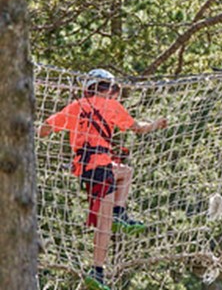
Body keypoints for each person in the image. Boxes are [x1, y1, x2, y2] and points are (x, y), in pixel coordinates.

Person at [38, 69, 167, 290]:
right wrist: (157, 123)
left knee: (125, 172)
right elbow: (138, 128)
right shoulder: (112, 106)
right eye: (114, 90)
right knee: (105, 223)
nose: (115, 94)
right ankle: (98, 268)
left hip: (88, 167)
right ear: (108, 88)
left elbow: (44, 130)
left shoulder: (75, 106)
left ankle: (118, 216)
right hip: (100, 167)